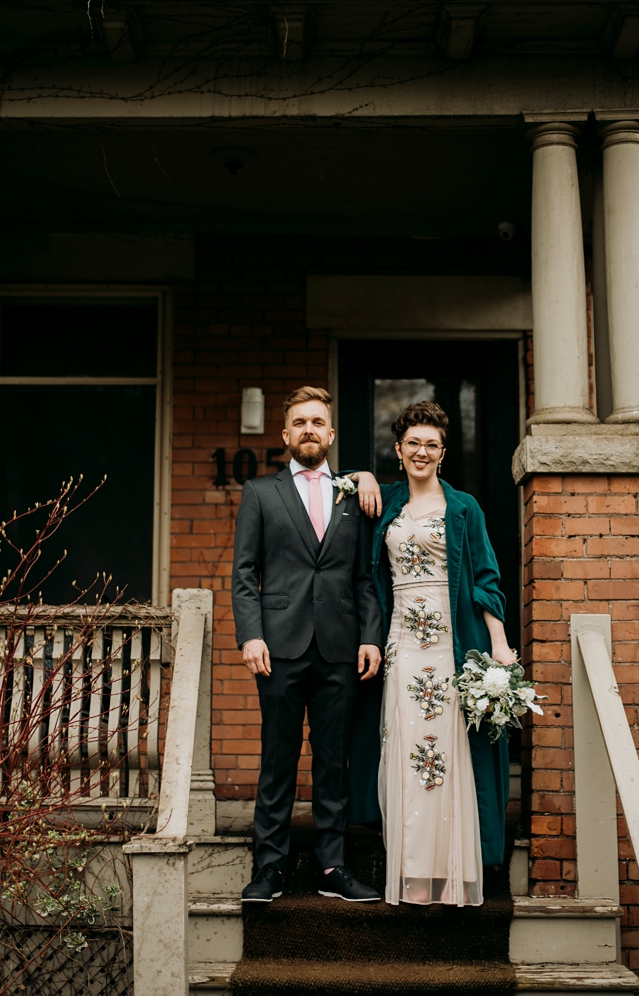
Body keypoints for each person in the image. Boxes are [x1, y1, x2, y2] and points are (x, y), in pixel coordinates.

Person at [233, 386, 385, 905]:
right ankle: (269, 870)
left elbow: (364, 577)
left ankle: (333, 868)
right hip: (278, 647)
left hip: (341, 648)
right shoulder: (260, 492)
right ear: (285, 434)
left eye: (318, 422)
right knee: (277, 761)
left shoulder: (352, 493)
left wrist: (370, 637)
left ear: (331, 433)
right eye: (300, 422)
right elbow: (244, 572)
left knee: (332, 763)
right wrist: (251, 633)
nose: (309, 430)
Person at [367, 399, 514, 906]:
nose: (422, 451)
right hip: (402, 645)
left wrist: (498, 644)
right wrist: (362, 476)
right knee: (407, 755)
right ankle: (411, 873)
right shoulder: (386, 502)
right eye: (414, 444)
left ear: (443, 453)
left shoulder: (464, 507)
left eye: (432, 444)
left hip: (451, 646)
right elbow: (335, 481)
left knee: (448, 757)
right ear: (399, 450)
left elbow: (487, 577)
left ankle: (452, 874)